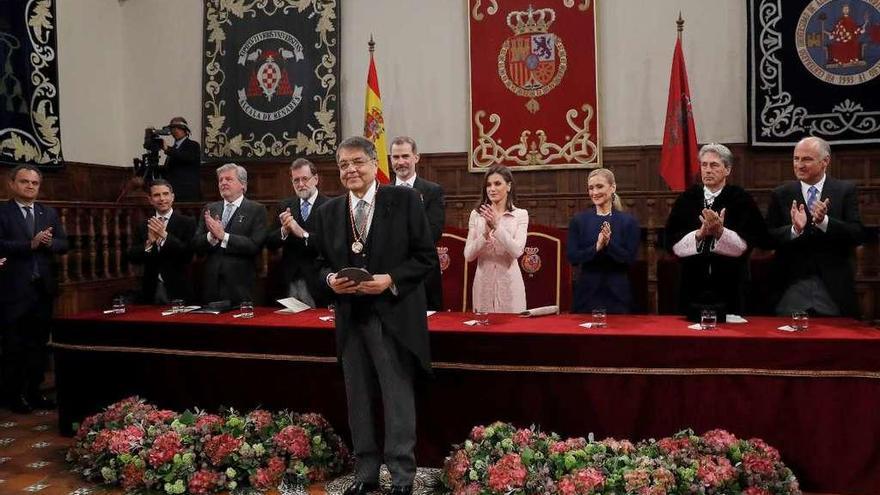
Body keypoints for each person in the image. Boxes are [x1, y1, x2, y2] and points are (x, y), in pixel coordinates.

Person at [311, 136, 435, 495]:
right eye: (343, 165)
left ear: (373, 164)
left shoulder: (405, 201)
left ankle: (400, 477)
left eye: (357, 163)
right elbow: (318, 266)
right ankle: (365, 473)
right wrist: (330, 280)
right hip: (350, 319)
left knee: (397, 397)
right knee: (358, 398)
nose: (350, 170)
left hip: (393, 317)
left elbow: (425, 258)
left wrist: (390, 280)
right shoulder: (329, 212)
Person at [665, 143, 770, 317]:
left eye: (714, 165)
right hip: (692, 286)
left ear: (727, 170)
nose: (707, 170)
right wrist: (699, 235)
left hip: (731, 286)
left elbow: (751, 242)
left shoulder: (740, 199)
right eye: (704, 165)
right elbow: (671, 243)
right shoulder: (687, 199)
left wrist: (721, 233)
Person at [766, 136, 864, 317]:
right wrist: (794, 230)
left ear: (825, 161)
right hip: (790, 284)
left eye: (807, 159)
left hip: (833, 286)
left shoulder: (845, 190)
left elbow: (856, 234)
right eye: (796, 159)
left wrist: (824, 222)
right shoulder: (781, 194)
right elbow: (767, 239)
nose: (799, 165)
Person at [0, 165, 68, 413]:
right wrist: (30, 244)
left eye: (34, 183)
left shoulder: (47, 212)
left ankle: (34, 391)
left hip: (42, 290)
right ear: (12, 184)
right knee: (14, 345)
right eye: (24, 181)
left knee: (38, 345)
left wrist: (49, 243)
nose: (30, 186)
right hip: (13, 290)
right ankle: (13, 395)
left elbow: (64, 244)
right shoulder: (3, 212)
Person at [567, 168, 640, 314]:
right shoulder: (579, 220)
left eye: (599, 186)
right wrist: (597, 247)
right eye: (591, 188)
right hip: (586, 295)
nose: (594, 192)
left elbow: (630, 259)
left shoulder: (628, 221)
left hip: (618, 295)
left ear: (613, 188)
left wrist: (608, 244)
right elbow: (572, 257)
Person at [193, 163, 268, 305]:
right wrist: (211, 236)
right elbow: (196, 243)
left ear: (243, 185)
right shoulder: (210, 209)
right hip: (211, 283)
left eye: (228, 179)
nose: (223, 183)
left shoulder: (256, 209)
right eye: (220, 180)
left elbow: (254, 245)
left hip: (241, 284)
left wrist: (224, 236)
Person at [265, 158, 330, 308]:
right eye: (296, 180)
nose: (301, 184)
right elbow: (269, 243)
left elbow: (330, 245)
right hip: (288, 281)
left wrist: (302, 233)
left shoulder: (329, 206)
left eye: (305, 179)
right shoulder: (285, 206)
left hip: (318, 281)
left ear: (316, 179)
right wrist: (284, 230)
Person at [390, 135, 446, 310]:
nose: (400, 162)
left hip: (424, 273)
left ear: (416, 157)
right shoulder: (382, 192)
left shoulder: (433, 191)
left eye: (405, 156)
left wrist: (398, 241)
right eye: (396, 157)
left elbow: (434, 232)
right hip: (391, 273)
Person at [464, 165, 529, 313]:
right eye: (488, 184)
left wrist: (497, 227)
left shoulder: (520, 215)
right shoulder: (476, 215)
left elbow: (517, 251)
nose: (492, 188)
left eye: (497, 183)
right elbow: (468, 255)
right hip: (483, 286)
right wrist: (485, 234)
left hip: (510, 286)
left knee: (512, 332)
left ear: (509, 186)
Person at [127, 179, 196, 304]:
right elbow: (132, 256)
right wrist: (149, 243)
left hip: (178, 289)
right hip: (150, 290)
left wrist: (164, 236)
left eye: (165, 194)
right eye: (157, 195)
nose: (162, 198)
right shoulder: (144, 225)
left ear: (172, 196)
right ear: (150, 199)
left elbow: (187, 255)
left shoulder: (187, 222)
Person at [161, 116, 202, 202]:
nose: (175, 131)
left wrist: (168, 149)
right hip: (173, 192)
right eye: (173, 128)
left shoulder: (193, 145)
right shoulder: (174, 149)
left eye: (178, 128)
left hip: (187, 193)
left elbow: (187, 158)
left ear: (185, 130)